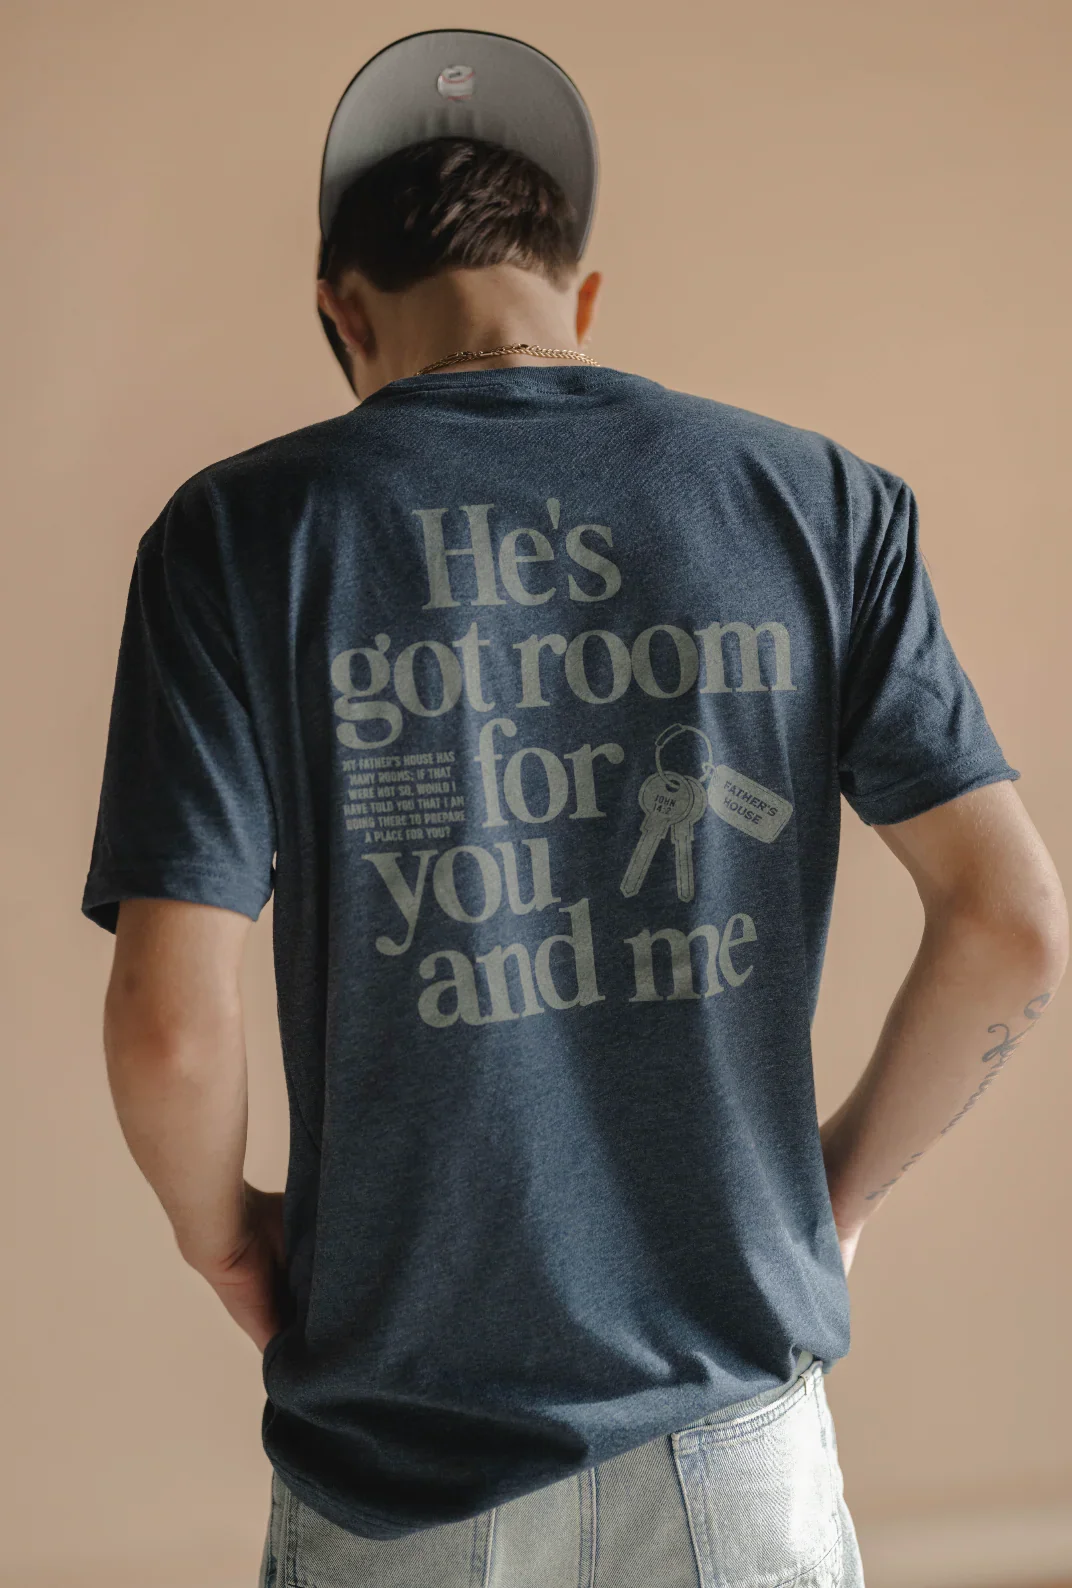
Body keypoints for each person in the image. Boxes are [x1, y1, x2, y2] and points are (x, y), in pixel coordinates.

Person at [81, 27, 1068, 1588]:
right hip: (739, 1435)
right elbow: (1014, 925)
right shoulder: (820, 505)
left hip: (402, 1456)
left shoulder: (240, 535)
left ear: (342, 315)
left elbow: (167, 1026)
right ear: (580, 299)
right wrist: (837, 1198)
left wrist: (225, 1242)